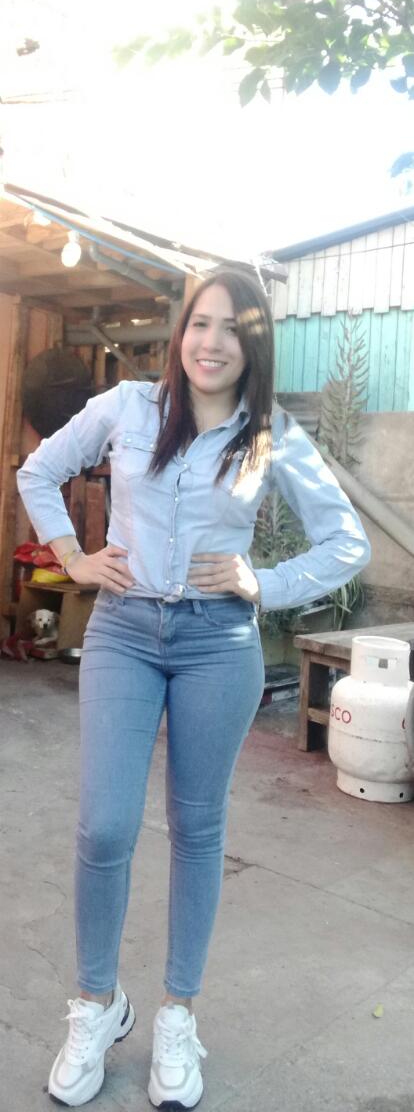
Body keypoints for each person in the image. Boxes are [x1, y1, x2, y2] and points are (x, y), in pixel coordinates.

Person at [17, 267, 370, 1109]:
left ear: (255, 346)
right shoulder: (128, 408)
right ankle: (97, 1005)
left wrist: (264, 582)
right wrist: (72, 558)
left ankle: (178, 1013)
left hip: (219, 643)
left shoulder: (270, 435)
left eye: (233, 329)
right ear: (181, 333)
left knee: (197, 829)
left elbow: (346, 540)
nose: (212, 343)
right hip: (124, 632)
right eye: (201, 324)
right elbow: (37, 471)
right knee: (105, 825)